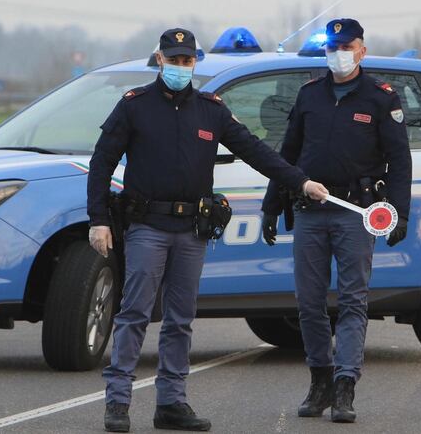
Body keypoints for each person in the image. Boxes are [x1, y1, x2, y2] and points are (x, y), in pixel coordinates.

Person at [87, 28, 328, 432]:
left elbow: (256, 151)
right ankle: (118, 400)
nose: (181, 66)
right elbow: (101, 162)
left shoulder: (211, 110)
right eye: (174, 59)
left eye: (187, 60)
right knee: (134, 314)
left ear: (195, 62)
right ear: (159, 59)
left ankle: (172, 402)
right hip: (147, 225)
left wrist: (299, 182)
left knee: (181, 319)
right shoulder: (134, 106)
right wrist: (98, 220)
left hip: (192, 230)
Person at [261, 18, 412, 423]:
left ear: (362, 49)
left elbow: (400, 159)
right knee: (308, 304)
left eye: (346, 47)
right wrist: (272, 204)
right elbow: (287, 154)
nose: (338, 54)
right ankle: (320, 379)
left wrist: (399, 212)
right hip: (310, 211)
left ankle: (345, 386)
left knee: (351, 302)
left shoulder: (381, 97)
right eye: (332, 47)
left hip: (357, 213)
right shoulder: (310, 94)